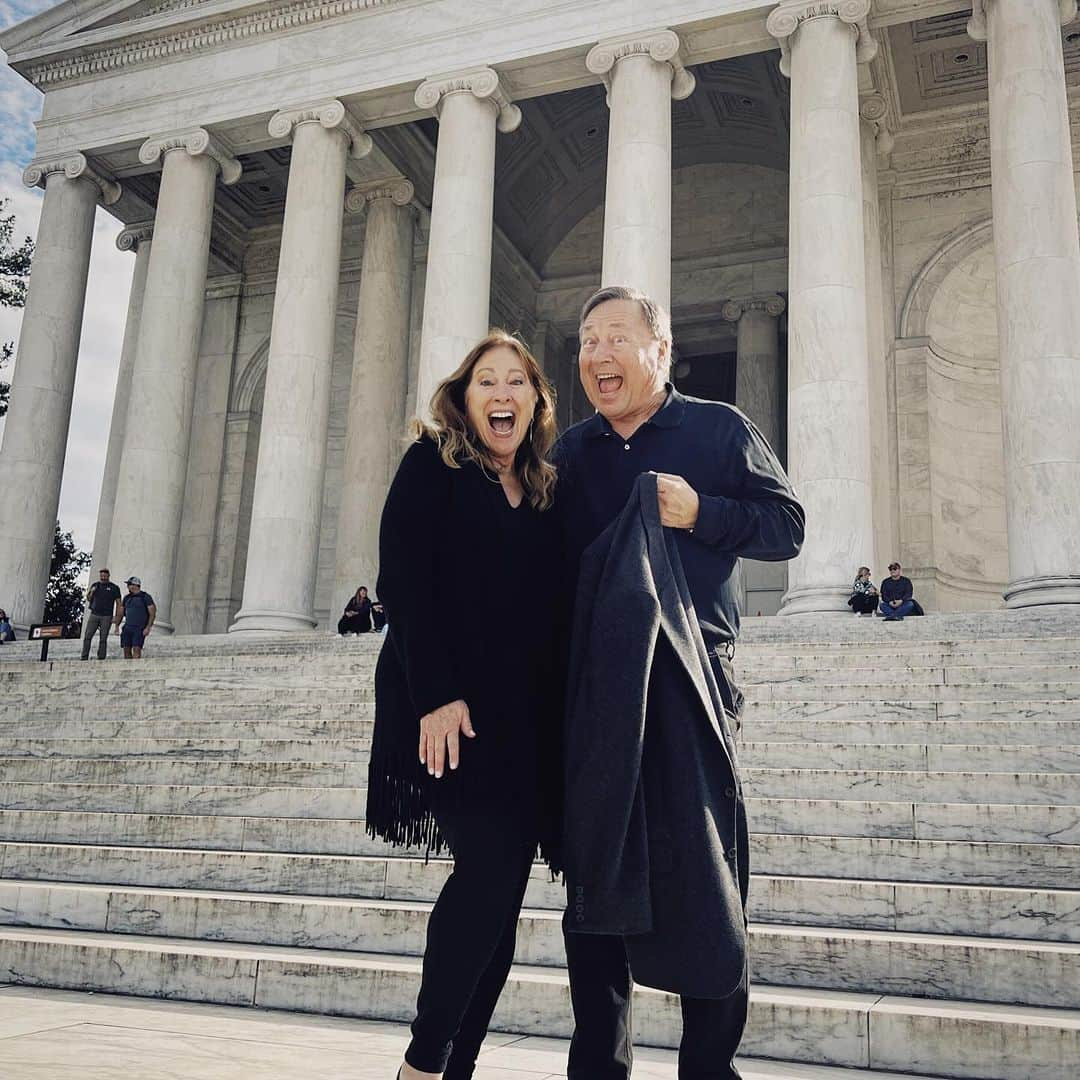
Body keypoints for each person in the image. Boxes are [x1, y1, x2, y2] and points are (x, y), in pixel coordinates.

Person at [553, 286, 805, 1080]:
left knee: (707, 870)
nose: (597, 354)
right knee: (594, 876)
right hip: (599, 692)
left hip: (696, 681)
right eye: (588, 340)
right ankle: (599, 1064)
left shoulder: (718, 429)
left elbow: (787, 525)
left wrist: (702, 513)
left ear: (660, 351)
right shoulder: (570, 453)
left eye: (615, 338)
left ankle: (708, 1067)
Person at [366, 330, 563, 1080]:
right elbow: (405, 582)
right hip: (441, 705)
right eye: (487, 381)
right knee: (484, 873)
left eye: (516, 382)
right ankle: (423, 1064)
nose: (502, 393)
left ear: (536, 402)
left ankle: (455, 1068)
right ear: (464, 396)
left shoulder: (544, 489)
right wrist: (438, 695)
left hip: (518, 719)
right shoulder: (434, 463)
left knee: (503, 899)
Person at [82, 568, 123, 660]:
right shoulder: (95, 585)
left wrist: (116, 617)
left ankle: (101, 657)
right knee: (88, 636)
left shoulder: (114, 587)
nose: (103, 577)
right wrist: (92, 592)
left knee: (103, 638)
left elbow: (119, 603)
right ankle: (84, 657)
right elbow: (88, 598)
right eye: (101, 575)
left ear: (108, 576)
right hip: (94, 614)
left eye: (105, 575)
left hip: (106, 615)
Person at [118, 576, 156, 658]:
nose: (128, 586)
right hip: (128, 626)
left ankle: (135, 667)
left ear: (135, 585)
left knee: (136, 648)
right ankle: (127, 667)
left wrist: (148, 627)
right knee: (126, 648)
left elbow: (152, 613)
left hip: (139, 627)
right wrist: (117, 625)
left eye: (129, 584)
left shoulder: (145, 597)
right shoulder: (126, 598)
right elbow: (121, 612)